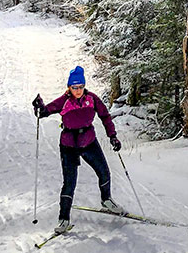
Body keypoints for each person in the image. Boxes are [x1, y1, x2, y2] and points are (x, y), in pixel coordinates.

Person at [33, 66, 123, 233]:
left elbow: (105, 116)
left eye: (80, 86)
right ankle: (64, 219)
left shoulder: (92, 99)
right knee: (69, 182)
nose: (78, 90)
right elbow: (45, 112)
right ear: (69, 87)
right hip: (69, 146)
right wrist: (39, 107)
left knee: (104, 172)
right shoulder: (64, 101)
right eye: (74, 87)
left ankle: (106, 200)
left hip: (89, 142)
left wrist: (113, 136)